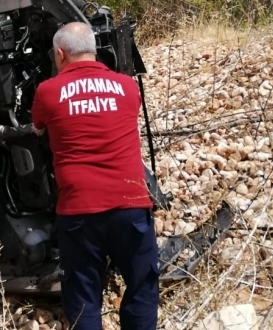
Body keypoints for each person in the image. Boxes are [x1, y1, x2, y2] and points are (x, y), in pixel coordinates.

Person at [31, 23, 159, 330]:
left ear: (59, 54)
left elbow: (37, 128)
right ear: (94, 49)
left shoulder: (47, 91)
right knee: (142, 286)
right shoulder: (127, 86)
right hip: (131, 205)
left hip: (78, 212)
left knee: (83, 295)